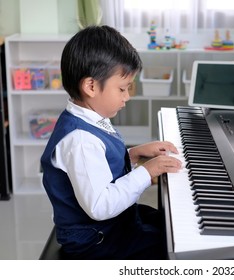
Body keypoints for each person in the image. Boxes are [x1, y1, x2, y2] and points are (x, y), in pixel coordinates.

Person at [40, 25, 182, 260]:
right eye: (122, 89)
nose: (127, 97)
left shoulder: (89, 118)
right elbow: (100, 205)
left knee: (169, 223)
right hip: (98, 242)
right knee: (173, 250)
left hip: (113, 225)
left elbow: (99, 166)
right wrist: (147, 171)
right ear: (91, 86)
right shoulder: (80, 140)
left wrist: (133, 154)